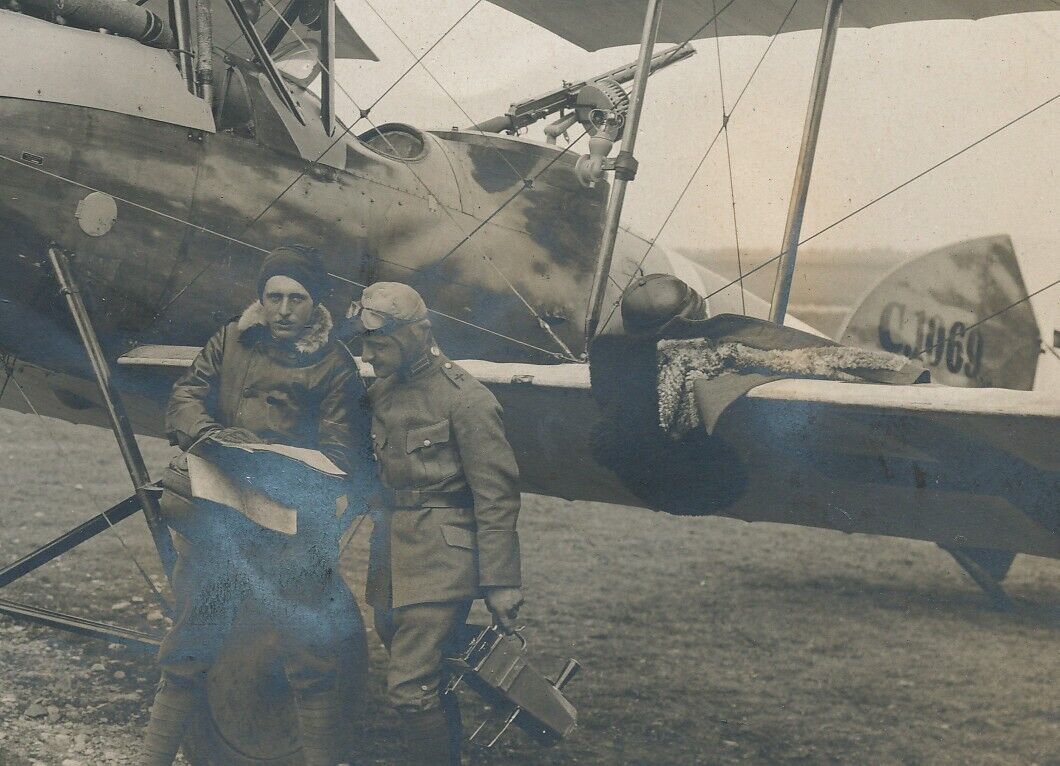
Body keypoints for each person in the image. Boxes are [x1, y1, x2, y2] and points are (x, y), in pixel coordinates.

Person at [144, 244, 377, 766]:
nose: (284, 310)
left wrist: (273, 464)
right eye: (273, 296)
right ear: (261, 298)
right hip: (221, 517)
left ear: (317, 304)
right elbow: (186, 396)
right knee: (187, 646)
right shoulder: (230, 340)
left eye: (297, 298)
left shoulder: (335, 365)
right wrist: (208, 434)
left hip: (293, 527)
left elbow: (343, 452)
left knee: (309, 656)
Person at [351, 282, 524, 766]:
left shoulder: (467, 400)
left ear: (415, 336)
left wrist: (501, 581)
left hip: (442, 560)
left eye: (379, 345)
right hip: (391, 555)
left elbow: (497, 496)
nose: (368, 355)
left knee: (409, 688)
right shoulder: (381, 391)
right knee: (425, 680)